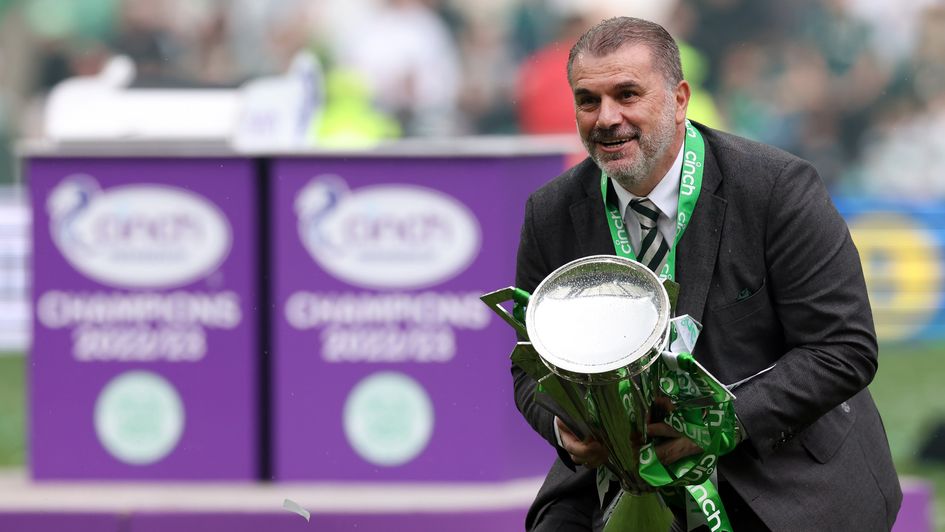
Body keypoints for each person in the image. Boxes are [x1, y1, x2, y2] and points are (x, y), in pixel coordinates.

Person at [512, 16, 902, 531]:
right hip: (618, 474)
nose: (606, 118)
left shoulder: (777, 189)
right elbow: (529, 368)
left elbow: (844, 349)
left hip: (772, 469)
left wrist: (717, 425)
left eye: (628, 94)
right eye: (588, 100)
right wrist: (566, 430)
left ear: (678, 99)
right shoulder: (551, 213)